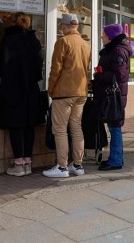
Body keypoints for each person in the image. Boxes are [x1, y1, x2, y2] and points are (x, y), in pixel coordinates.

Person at [0, 12, 43, 176]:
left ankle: (18, 163)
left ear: (13, 22)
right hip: (30, 88)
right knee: (28, 125)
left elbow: (0, 64)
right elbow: (38, 64)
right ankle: (28, 162)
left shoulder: (9, 38)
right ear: (28, 23)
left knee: (14, 124)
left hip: (12, 87)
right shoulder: (34, 40)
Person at [42, 14, 92, 178]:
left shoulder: (63, 42)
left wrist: (50, 88)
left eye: (61, 27)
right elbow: (86, 69)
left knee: (60, 130)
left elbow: (55, 69)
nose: (60, 30)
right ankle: (77, 165)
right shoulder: (86, 44)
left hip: (64, 93)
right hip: (81, 92)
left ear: (64, 26)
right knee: (76, 128)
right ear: (76, 26)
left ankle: (62, 167)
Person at [92, 24, 132, 171]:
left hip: (114, 95)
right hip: (112, 94)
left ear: (110, 36)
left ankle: (115, 161)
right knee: (113, 126)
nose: (102, 36)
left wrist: (99, 75)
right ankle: (116, 158)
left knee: (115, 127)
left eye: (103, 34)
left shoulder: (117, 51)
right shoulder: (114, 49)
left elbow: (118, 75)